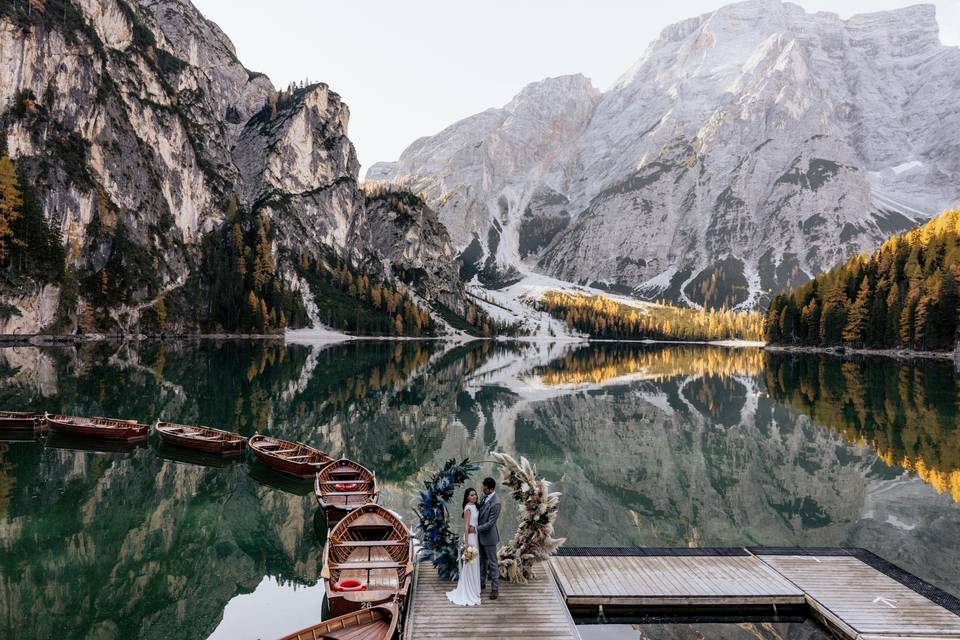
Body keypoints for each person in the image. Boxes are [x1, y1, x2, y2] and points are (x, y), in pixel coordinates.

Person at [445, 487, 481, 606]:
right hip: (470, 538)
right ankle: (468, 589)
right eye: (471, 495)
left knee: (474, 563)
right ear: (467, 497)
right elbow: (466, 526)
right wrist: (466, 543)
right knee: (470, 562)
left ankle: (475, 589)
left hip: (475, 537)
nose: (474, 496)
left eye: (475, 494)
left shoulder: (476, 507)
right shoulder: (468, 508)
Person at [477, 476, 501, 599]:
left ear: (491, 489)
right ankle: (481, 583)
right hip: (480, 537)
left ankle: (495, 589)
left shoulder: (496, 503)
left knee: (493, 563)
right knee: (482, 561)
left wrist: (476, 529)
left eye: (485, 489)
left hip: (489, 538)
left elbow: (491, 523)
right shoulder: (483, 496)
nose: (483, 490)